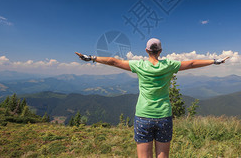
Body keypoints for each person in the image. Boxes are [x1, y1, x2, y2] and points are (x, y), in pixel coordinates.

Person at [75, 38, 228, 158]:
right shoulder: (169, 65)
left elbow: (114, 61)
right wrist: (214, 61)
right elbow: (192, 63)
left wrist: (92, 58)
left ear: (147, 50)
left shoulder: (139, 65)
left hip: (143, 116)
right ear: (160, 51)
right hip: (164, 116)